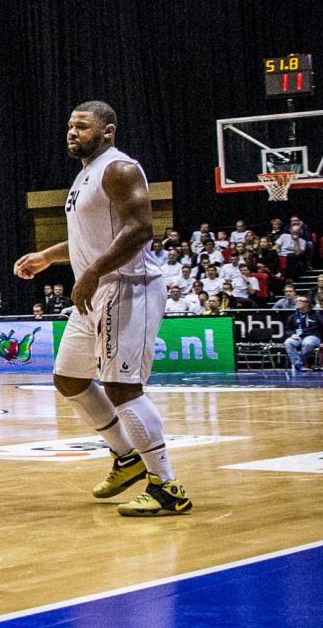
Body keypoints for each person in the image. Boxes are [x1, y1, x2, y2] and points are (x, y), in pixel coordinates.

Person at [12, 101, 190, 517]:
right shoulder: (84, 175)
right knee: (69, 379)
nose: (72, 132)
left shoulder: (120, 169)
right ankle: (126, 457)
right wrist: (46, 256)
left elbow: (141, 229)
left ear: (108, 131)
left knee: (123, 387)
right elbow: (87, 240)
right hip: (97, 288)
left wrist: (91, 272)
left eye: (82, 126)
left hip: (128, 287)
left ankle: (167, 485)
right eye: (70, 126)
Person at [282, 294, 323, 376]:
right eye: (297, 301)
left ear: (307, 303)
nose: (298, 303)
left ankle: (300, 363)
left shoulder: (316, 315)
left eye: (300, 301)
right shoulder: (293, 316)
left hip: (313, 336)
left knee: (307, 343)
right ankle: (297, 364)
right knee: (288, 342)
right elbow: (288, 329)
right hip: (299, 336)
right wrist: (292, 334)